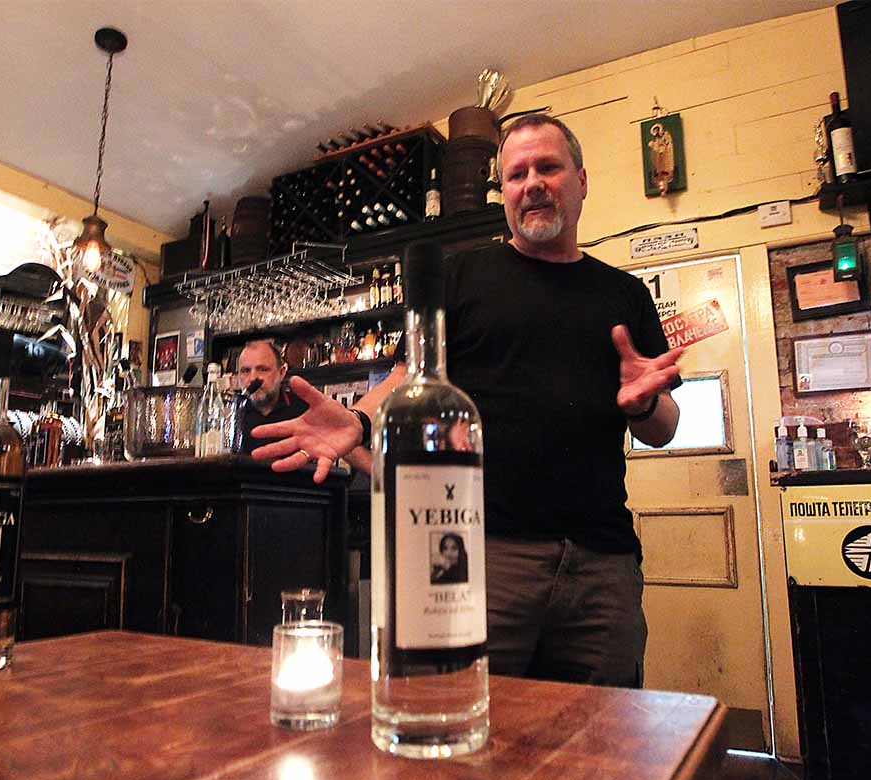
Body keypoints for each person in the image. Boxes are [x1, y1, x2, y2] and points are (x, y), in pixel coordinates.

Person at [251, 114, 683, 688]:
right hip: (485, 556)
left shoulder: (624, 294)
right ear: (503, 192)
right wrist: (358, 418)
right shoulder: (463, 277)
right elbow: (409, 376)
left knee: (602, 750)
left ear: (581, 180)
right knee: (473, 739)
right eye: (516, 174)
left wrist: (641, 406)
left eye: (548, 167)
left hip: (602, 567)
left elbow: (665, 426)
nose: (532, 182)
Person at [235, 340, 309, 454]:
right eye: (245, 371)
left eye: (263, 369)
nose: (253, 378)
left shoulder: (304, 411)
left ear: (282, 373)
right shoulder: (231, 415)